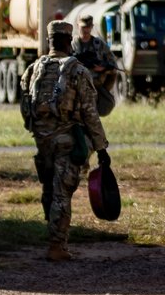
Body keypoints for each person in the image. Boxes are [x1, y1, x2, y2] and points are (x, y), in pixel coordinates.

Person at [20, 18, 109, 262]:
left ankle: (53, 233)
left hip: (42, 141)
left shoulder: (33, 69)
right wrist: (101, 147)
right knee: (61, 193)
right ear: (68, 41)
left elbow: (25, 107)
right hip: (68, 140)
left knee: (49, 188)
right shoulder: (77, 70)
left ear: (49, 41)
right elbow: (91, 113)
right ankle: (57, 245)